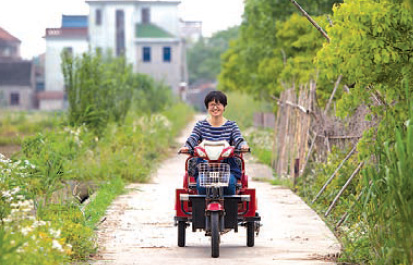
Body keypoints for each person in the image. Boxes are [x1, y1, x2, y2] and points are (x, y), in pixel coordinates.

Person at [179, 90, 249, 195]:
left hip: (227, 168)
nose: (215, 108)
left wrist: (243, 145)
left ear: (224, 106)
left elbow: (238, 138)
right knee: (201, 186)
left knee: (229, 185)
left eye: (219, 104)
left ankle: (231, 211)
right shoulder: (200, 125)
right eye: (212, 104)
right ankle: (201, 210)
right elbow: (193, 138)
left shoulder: (231, 126)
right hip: (205, 167)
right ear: (207, 107)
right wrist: (186, 147)